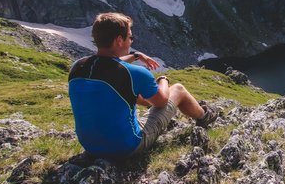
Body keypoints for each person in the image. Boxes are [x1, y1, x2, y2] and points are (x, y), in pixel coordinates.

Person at [68, 12, 219, 159]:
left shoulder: (77, 67)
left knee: (130, 95)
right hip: (125, 148)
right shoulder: (135, 73)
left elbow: (108, 64)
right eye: (130, 37)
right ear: (119, 40)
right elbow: (161, 102)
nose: (131, 41)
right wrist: (163, 80)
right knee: (178, 89)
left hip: (91, 147)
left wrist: (135, 56)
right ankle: (205, 116)